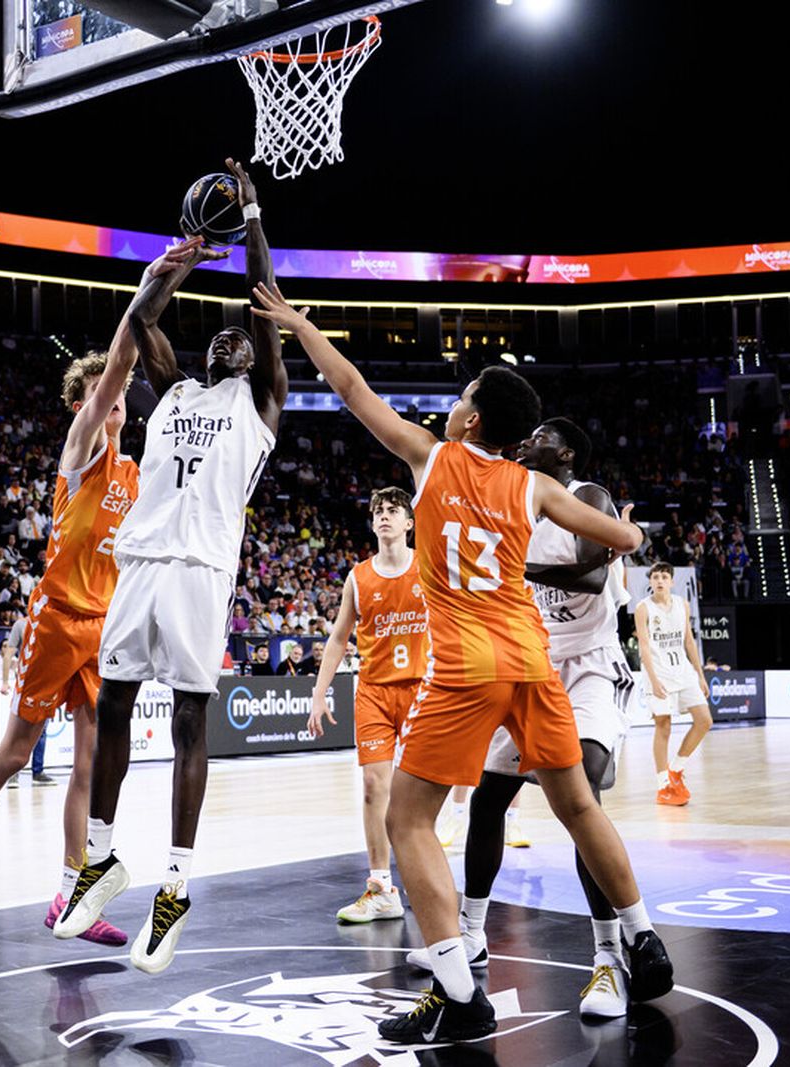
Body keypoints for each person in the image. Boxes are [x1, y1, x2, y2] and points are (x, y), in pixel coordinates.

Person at [250, 279, 670, 1044]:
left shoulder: (432, 457)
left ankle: (456, 985)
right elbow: (624, 541)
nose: (452, 403)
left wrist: (299, 326)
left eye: (461, 396)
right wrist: (633, 533)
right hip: (532, 661)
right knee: (579, 807)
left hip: (467, 666)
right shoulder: (532, 485)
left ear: (470, 419)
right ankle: (642, 936)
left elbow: (351, 388)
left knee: (408, 817)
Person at [0, 241, 206, 945]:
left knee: (90, 762)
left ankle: (69, 893)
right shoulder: (81, 453)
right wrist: (153, 284)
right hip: (57, 619)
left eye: (117, 397)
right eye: (104, 394)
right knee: (18, 749)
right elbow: (118, 369)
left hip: (104, 626)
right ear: (85, 404)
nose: (115, 401)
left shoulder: (138, 473)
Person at [55, 159, 288, 977]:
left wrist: (250, 216)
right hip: (141, 563)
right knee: (113, 704)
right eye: (218, 335)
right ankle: (102, 858)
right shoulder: (176, 389)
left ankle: (177, 884)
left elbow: (262, 298)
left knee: (190, 721)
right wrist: (175, 262)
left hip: (198, 570)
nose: (229, 338)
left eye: (240, 340)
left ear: (254, 360)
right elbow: (138, 320)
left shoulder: (259, 406)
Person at [420, 417, 638, 1019]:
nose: (527, 442)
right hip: (533, 662)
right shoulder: (513, 497)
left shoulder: (589, 497)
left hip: (590, 664)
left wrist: (515, 567)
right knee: (488, 798)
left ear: (565, 453)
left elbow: (592, 573)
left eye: (541, 437)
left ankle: (608, 957)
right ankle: (471, 931)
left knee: (583, 795)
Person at [305, 487, 427, 925]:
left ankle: (427, 881)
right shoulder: (358, 577)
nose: (384, 516)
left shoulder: (428, 567)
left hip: (421, 690)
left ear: (409, 522)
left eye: (393, 510)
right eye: (378, 511)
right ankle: (381, 886)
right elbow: (339, 637)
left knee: (418, 795)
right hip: (374, 691)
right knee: (375, 787)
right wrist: (319, 692)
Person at [634, 562, 711, 806]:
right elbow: (644, 646)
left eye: (664, 577)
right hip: (658, 673)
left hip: (683, 672)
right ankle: (663, 786)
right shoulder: (643, 608)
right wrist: (653, 679)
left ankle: (676, 769)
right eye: (656, 577)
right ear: (650, 581)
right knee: (663, 726)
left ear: (672, 581)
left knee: (704, 720)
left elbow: (688, 641)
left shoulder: (682, 604)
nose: (659, 581)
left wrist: (700, 675)